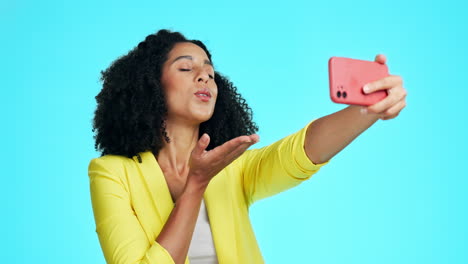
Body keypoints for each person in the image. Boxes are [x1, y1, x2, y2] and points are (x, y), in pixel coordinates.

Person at [88, 29, 407, 264]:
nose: (205, 77)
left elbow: (301, 152)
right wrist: (195, 185)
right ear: (149, 86)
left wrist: (368, 109)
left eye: (210, 72)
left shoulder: (231, 166)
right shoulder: (111, 174)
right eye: (187, 68)